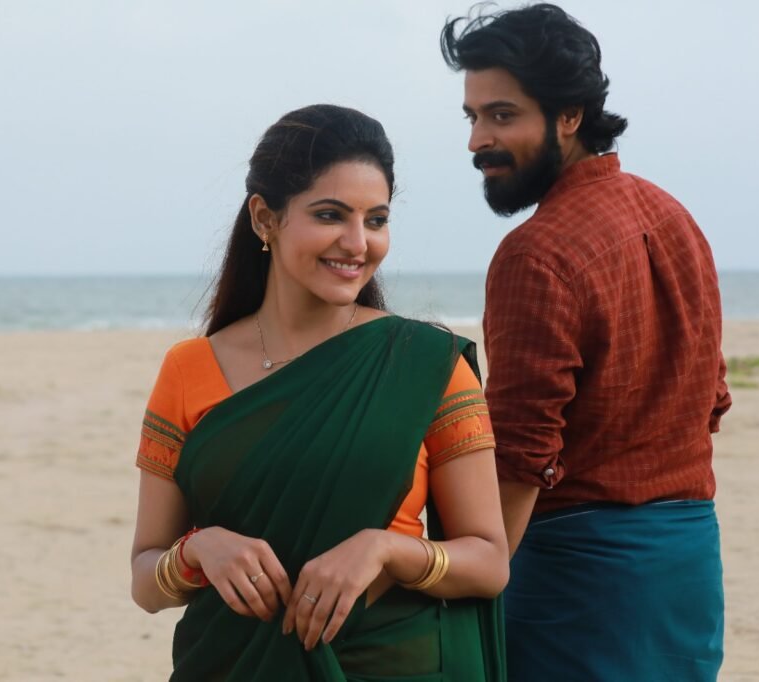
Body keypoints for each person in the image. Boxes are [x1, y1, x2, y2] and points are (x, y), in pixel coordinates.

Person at [129, 104, 509, 681]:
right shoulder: (189, 369)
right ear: (265, 218)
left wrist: (384, 549)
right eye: (330, 215)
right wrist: (199, 549)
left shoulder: (423, 364)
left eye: (376, 220)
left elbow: (488, 561)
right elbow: (145, 579)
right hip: (234, 665)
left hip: (395, 664)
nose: (357, 243)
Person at [441, 6, 732, 681]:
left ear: (569, 116)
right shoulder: (675, 217)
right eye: (473, 116)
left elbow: (519, 455)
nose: (478, 140)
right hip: (689, 566)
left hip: (577, 581)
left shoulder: (535, 253)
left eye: (502, 115)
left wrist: (471, 576)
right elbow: (712, 398)